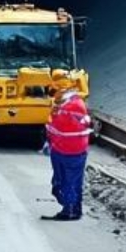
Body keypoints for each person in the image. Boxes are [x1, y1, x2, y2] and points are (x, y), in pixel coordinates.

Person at [43, 87, 91, 221]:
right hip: (77, 149)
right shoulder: (77, 103)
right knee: (74, 181)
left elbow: (57, 127)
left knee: (65, 181)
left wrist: (50, 141)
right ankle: (75, 209)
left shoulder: (66, 108)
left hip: (65, 150)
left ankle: (68, 211)